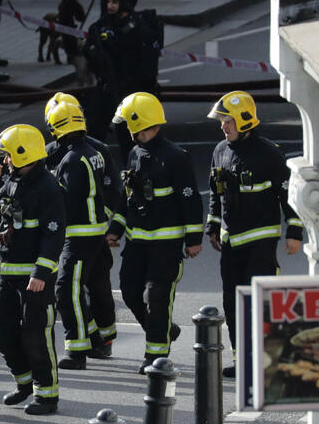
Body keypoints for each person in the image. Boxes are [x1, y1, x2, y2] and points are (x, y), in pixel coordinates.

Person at [206, 91, 303, 377]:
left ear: (244, 121)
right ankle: (243, 360)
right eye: (222, 121)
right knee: (233, 302)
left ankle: (268, 360)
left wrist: (294, 232)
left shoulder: (268, 153)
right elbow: (216, 194)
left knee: (260, 300)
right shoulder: (219, 151)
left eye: (228, 121)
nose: (223, 126)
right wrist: (212, 227)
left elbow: (289, 195)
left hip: (260, 240)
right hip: (230, 242)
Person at [106, 92, 203, 373]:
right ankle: (161, 330)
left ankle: (155, 357)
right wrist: (116, 230)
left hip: (166, 246)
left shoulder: (174, 157)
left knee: (157, 298)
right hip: (137, 244)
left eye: (128, 123)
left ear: (140, 122)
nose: (125, 129)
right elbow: (128, 199)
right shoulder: (135, 154)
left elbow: (189, 199)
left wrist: (193, 239)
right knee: (130, 290)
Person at [0, 124, 65, 415]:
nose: (4, 161)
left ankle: (47, 394)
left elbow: (53, 235)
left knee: (35, 334)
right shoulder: (11, 180)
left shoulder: (47, 187)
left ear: (23, 154)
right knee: (0, 332)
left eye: (8, 156)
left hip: (33, 278)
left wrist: (41, 273)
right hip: (6, 272)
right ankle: (24, 382)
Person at [44, 92, 119, 358]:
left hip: (78, 235)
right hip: (90, 232)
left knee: (69, 289)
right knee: (83, 288)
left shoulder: (75, 158)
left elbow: (70, 199)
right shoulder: (81, 152)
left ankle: (80, 347)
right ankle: (97, 338)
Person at [83, 0, 162, 163]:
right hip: (107, 88)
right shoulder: (101, 26)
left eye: (115, 2)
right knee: (93, 132)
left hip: (131, 92)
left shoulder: (140, 29)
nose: (110, 6)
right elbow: (89, 49)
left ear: (126, 3)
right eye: (108, 1)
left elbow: (147, 66)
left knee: (130, 138)